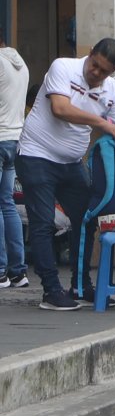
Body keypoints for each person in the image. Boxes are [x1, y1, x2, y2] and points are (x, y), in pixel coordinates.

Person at [17, 38, 115, 310]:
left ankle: (81, 286)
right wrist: (102, 123)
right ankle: (50, 290)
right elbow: (60, 108)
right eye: (94, 65)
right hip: (36, 155)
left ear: (113, 72)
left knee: (85, 219)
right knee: (44, 223)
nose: (96, 73)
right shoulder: (63, 68)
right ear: (90, 54)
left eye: (104, 71)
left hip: (72, 162)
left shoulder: (112, 90)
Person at [0, 38, 29, 290]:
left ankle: (0, 272)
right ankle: (18, 272)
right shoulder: (20, 64)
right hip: (13, 140)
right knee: (7, 203)